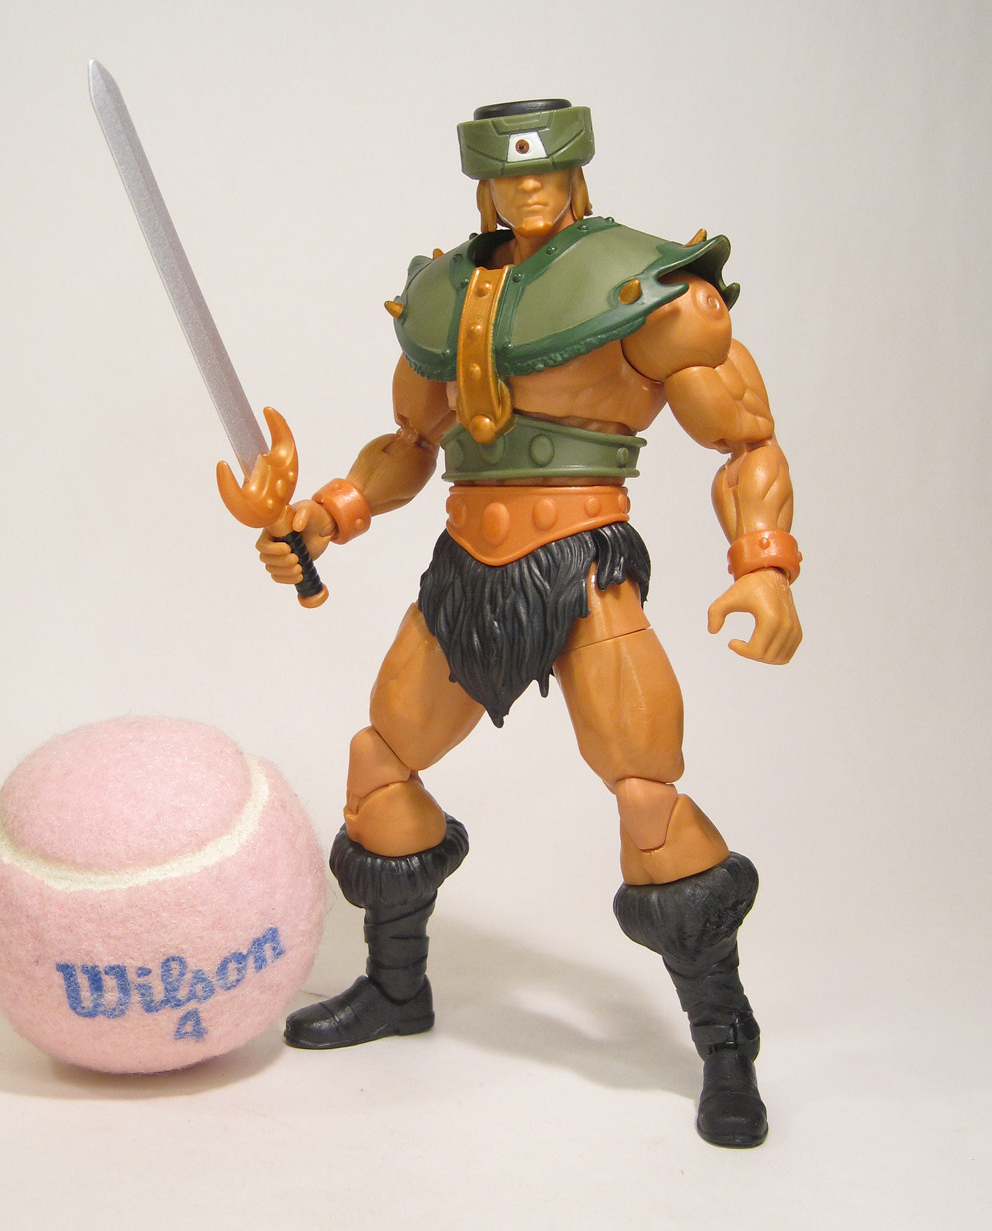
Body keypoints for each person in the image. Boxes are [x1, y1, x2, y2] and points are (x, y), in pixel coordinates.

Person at [257, 99, 801, 1149]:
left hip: (582, 564)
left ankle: (724, 1043)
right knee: (380, 766)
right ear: (484, 185)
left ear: (578, 171)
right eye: (510, 175)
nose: (531, 188)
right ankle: (396, 986)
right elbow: (409, 443)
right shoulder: (444, 292)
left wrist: (765, 565)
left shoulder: (644, 282)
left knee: (647, 796)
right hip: (467, 566)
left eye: (548, 170)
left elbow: (745, 439)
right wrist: (327, 514)